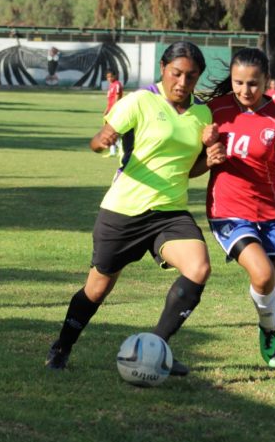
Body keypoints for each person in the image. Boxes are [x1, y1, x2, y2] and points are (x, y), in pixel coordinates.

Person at [45, 41, 226, 376]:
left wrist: (209, 159)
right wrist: (102, 141)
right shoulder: (140, 101)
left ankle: (157, 347)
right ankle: (62, 346)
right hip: (124, 212)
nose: (182, 83)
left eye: (191, 76)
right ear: (162, 68)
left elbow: (188, 168)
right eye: (177, 74)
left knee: (198, 267)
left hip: (170, 212)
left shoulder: (202, 113)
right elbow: (100, 139)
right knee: (96, 289)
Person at [200, 48, 275, 380]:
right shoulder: (214, 111)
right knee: (263, 275)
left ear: (266, 80)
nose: (245, 90)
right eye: (238, 83)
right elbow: (193, 160)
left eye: (253, 83)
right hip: (228, 212)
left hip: (272, 213)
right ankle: (268, 330)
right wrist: (206, 147)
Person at [103, 69, 124, 157]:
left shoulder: (117, 84)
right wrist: (106, 109)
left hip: (115, 110)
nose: (109, 78)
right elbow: (110, 100)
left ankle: (120, 148)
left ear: (115, 76)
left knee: (114, 130)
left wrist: (113, 109)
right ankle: (113, 150)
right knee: (110, 130)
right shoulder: (111, 85)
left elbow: (117, 97)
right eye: (107, 77)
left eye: (111, 76)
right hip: (110, 110)